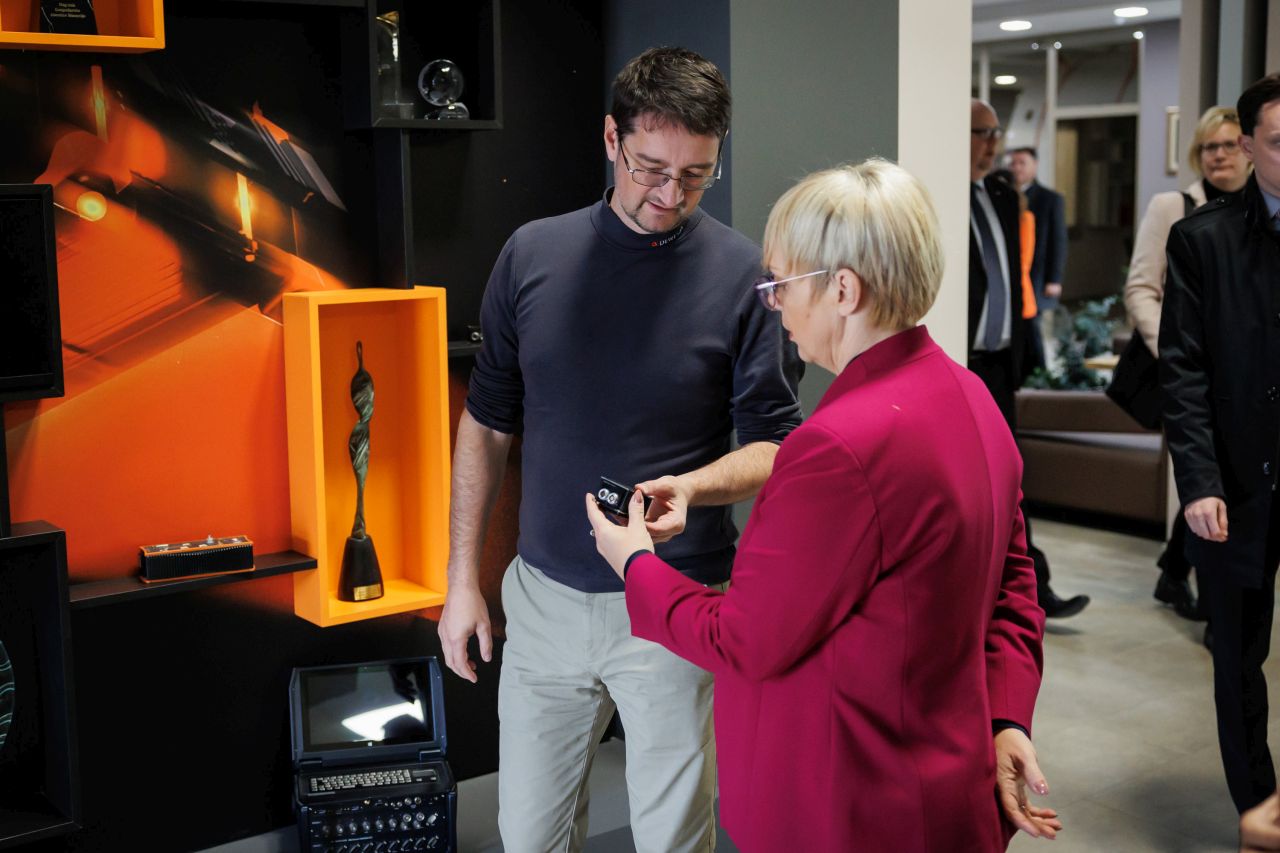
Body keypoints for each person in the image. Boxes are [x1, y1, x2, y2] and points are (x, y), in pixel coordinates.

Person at [586, 159, 1059, 852]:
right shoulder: (971, 397)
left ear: (843, 289)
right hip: (948, 787)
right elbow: (1014, 587)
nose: (773, 305)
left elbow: (746, 639)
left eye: (780, 284)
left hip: (849, 805)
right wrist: (1007, 716)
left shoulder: (837, 446)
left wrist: (635, 564)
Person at [436, 47, 802, 853]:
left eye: (696, 175)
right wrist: (461, 578)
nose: (670, 195)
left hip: (678, 601)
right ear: (611, 139)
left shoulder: (746, 276)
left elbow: (777, 443)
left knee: (674, 839)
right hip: (544, 603)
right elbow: (486, 424)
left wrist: (693, 487)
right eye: (650, 169)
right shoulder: (531, 254)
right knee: (530, 836)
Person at [1160, 72, 1280, 817]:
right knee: (1237, 652)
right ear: (1250, 146)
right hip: (1235, 481)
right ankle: (1259, 809)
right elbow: (1183, 370)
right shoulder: (1202, 239)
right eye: (1279, 141)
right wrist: (1199, 481)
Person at [1124, 105, 1251, 623]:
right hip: (1192, 379)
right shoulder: (1172, 206)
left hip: (1245, 380)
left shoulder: (1262, 210)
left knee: (1229, 480)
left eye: (1228, 144)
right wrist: (1178, 352)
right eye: (1208, 147)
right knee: (1208, 475)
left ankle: (1175, 569)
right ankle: (1211, 601)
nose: (1218, 155)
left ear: (1248, 150)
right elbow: (1140, 288)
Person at [970, 99, 1089, 619]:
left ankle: (1031, 586)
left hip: (999, 360)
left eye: (996, 132)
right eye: (981, 132)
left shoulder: (1000, 193)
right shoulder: (940, 188)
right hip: (962, 360)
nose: (993, 144)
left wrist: (1020, 351)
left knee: (1010, 474)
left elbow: (1015, 275)